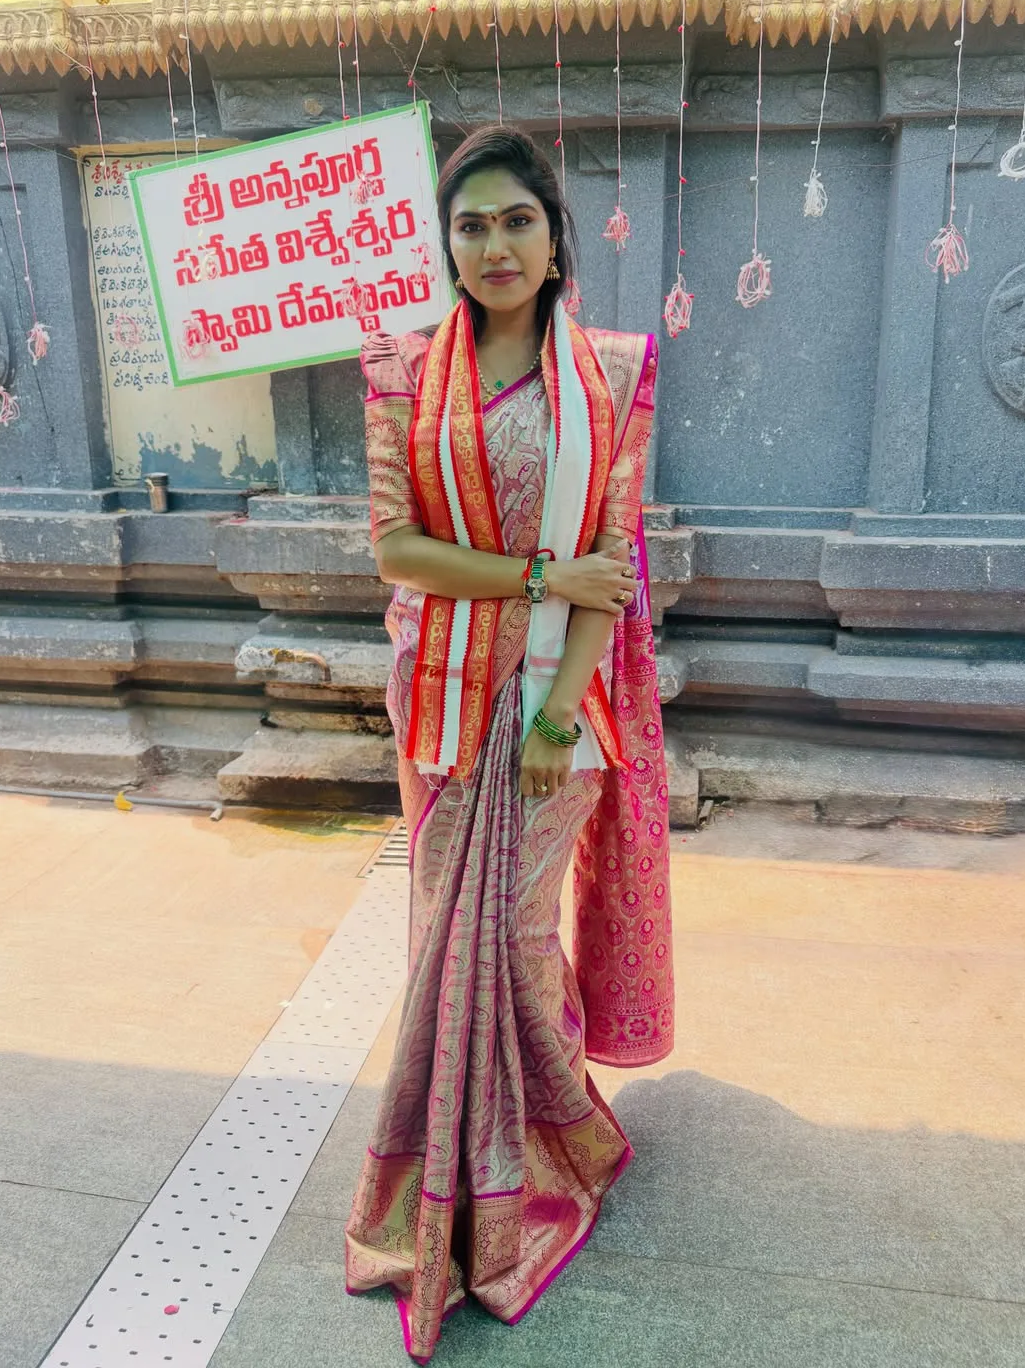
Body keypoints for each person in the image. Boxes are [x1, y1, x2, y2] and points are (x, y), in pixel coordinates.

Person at [344, 124, 674, 1363]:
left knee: (520, 940)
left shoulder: (615, 376)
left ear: (554, 235)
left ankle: (550, 1145)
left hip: (555, 709)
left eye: (515, 221)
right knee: (445, 936)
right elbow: (398, 549)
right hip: (436, 701)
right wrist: (535, 569)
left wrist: (549, 717)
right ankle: (461, 1172)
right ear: (448, 244)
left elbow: (612, 571)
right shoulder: (396, 374)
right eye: (470, 225)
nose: (493, 245)